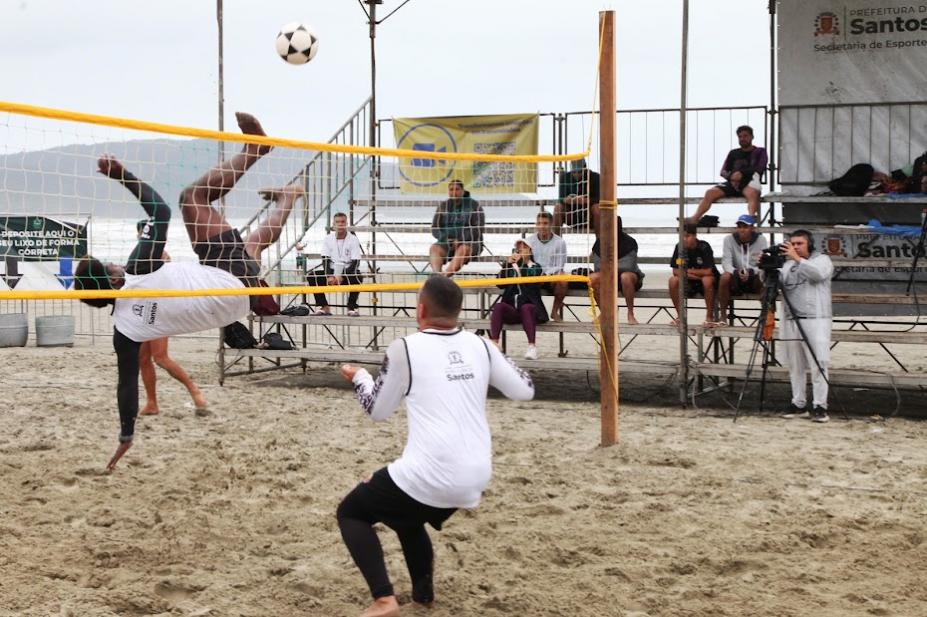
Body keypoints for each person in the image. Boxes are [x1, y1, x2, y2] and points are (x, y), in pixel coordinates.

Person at [73, 113, 302, 471]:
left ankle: (287, 198)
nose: (114, 264)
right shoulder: (139, 269)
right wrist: (123, 177)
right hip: (226, 280)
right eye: (109, 266)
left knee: (254, 246)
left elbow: (125, 386)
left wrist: (126, 435)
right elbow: (160, 209)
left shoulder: (124, 332)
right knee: (192, 198)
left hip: (234, 301)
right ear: (112, 281)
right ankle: (255, 150)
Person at [337, 276, 535, 617]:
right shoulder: (481, 345)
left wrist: (360, 378)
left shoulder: (405, 347)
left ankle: (384, 599)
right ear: (458, 311)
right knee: (406, 515)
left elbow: (378, 410)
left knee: (352, 512)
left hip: (434, 471)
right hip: (476, 473)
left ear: (421, 308)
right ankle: (423, 597)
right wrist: (496, 354)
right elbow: (524, 390)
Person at [133, 221, 207, 415]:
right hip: (145, 310)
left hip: (159, 311)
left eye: (145, 235)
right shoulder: (143, 255)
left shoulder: (160, 256)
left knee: (160, 357)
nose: (143, 238)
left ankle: (195, 391)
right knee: (142, 358)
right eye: (141, 235)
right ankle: (152, 403)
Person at [778, 230, 834, 423]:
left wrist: (798, 260)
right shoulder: (787, 265)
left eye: (799, 243)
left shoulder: (823, 260)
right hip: (791, 318)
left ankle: (820, 405)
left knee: (818, 363)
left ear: (809, 244)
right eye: (792, 243)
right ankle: (798, 402)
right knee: (795, 364)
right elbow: (775, 283)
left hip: (816, 318)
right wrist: (765, 266)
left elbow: (817, 275)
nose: (795, 247)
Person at [688, 125, 767, 225]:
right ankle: (695, 218)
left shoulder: (760, 151)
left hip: (749, 183)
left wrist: (741, 173)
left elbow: (760, 167)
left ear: (752, 137)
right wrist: (732, 176)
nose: (743, 139)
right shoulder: (733, 153)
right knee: (710, 192)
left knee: (753, 193)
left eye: (745, 136)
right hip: (732, 183)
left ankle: (750, 219)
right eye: (740, 136)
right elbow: (723, 171)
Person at [489, 238, 549, 360]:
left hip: (530, 309)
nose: (521, 249)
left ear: (530, 251)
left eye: (524, 247)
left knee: (526, 307)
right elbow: (499, 283)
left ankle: (532, 347)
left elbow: (530, 281)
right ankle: (494, 343)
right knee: (499, 306)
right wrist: (506, 265)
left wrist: (520, 264)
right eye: (518, 248)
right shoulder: (511, 267)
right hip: (512, 309)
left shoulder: (536, 267)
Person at [589, 216, 644, 325]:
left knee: (625, 277)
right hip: (608, 278)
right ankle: (605, 312)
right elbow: (598, 267)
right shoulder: (600, 242)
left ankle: (630, 313)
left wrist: (609, 266)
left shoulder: (630, 242)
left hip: (630, 278)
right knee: (593, 278)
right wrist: (613, 267)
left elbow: (629, 266)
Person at [307, 211, 364, 316]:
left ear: (346, 223)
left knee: (358, 277)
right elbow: (325, 259)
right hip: (332, 271)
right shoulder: (328, 239)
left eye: (343, 222)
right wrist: (329, 276)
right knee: (312, 276)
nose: (340, 224)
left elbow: (356, 262)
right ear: (333, 224)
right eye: (338, 222)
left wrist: (342, 276)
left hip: (347, 272)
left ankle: (351, 307)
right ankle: (324, 307)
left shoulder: (353, 239)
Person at [717, 214, 768, 323]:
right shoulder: (729, 239)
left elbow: (764, 264)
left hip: (754, 278)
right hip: (736, 278)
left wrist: (752, 271)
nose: (742, 230)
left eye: (745, 227)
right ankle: (723, 316)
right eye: (739, 227)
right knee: (724, 277)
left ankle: (766, 316)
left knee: (765, 278)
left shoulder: (761, 240)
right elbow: (726, 263)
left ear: (752, 228)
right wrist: (735, 271)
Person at [668, 224, 720, 328]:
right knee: (673, 280)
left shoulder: (704, 247)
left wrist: (687, 272)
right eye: (681, 236)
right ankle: (680, 316)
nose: (684, 239)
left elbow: (708, 271)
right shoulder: (679, 247)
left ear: (695, 235)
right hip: (690, 281)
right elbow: (675, 270)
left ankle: (709, 317)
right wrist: (689, 274)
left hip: (707, 281)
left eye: (687, 236)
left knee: (707, 280)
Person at [429, 179, 484, 276]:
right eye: (451, 189)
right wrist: (445, 238)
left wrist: (460, 239)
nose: (454, 192)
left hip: (469, 243)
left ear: (463, 190)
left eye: (457, 189)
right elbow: (435, 228)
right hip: (447, 242)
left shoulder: (474, 206)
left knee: (463, 249)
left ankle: (445, 277)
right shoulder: (443, 206)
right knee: (434, 248)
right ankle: (437, 275)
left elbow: (477, 228)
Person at [525, 211, 568, 321]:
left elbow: (559, 265)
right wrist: (538, 273)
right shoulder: (529, 241)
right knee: (526, 279)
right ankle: (534, 312)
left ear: (551, 224)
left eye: (545, 223)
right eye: (539, 223)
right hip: (535, 275)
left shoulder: (560, 242)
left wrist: (546, 274)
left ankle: (554, 311)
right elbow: (527, 262)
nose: (542, 226)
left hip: (551, 276)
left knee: (563, 279)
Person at [553, 158, 600, 237]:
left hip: (590, 216)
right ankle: (556, 242)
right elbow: (560, 198)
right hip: (572, 215)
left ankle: (599, 244)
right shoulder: (565, 177)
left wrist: (585, 201)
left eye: (579, 172)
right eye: (574, 172)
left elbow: (600, 198)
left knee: (597, 208)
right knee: (558, 208)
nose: (577, 174)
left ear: (585, 169)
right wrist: (567, 200)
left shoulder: (595, 177)